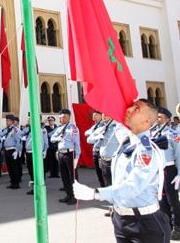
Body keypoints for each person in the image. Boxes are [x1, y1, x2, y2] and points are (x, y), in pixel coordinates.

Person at [74, 99, 170, 242]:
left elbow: (133, 186)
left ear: (147, 121)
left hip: (144, 224)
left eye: (136, 109)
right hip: (121, 220)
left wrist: (96, 193)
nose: (129, 110)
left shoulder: (147, 149)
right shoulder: (126, 143)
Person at [152, 107, 180, 240]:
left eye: (160, 117)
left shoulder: (172, 134)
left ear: (167, 119)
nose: (157, 119)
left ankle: (177, 226)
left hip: (169, 169)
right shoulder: (153, 133)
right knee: (161, 199)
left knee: (172, 199)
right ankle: (166, 224)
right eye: (157, 117)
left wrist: (179, 173)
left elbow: (178, 155)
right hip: (158, 169)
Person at [50, 109, 80, 205]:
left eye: (64, 117)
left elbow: (77, 144)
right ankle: (68, 194)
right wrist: (57, 138)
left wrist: (77, 157)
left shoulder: (73, 128)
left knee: (73, 177)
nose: (62, 119)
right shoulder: (59, 128)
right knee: (64, 176)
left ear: (69, 117)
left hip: (70, 154)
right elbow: (52, 138)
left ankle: (75, 196)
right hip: (61, 154)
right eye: (61, 117)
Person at [85, 111, 106, 187]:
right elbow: (86, 133)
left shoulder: (103, 125)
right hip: (95, 150)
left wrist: (92, 134)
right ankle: (102, 186)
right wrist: (92, 134)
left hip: (101, 151)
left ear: (101, 116)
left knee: (103, 171)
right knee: (98, 171)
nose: (94, 117)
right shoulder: (95, 126)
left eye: (96, 115)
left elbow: (91, 137)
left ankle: (105, 187)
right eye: (93, 115)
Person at [2, 115, 22, 189]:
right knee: (10, 168)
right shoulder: (7, 129)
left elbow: (18, 141)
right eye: (6, 121)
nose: (6, 122)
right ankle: (12, 182)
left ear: (11, 121)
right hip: (7, 150)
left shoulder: (16, 130)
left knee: (14, 167)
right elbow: (0, 134)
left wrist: (17, 151)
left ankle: (16, 183)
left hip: (12, 150)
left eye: (8, 121)